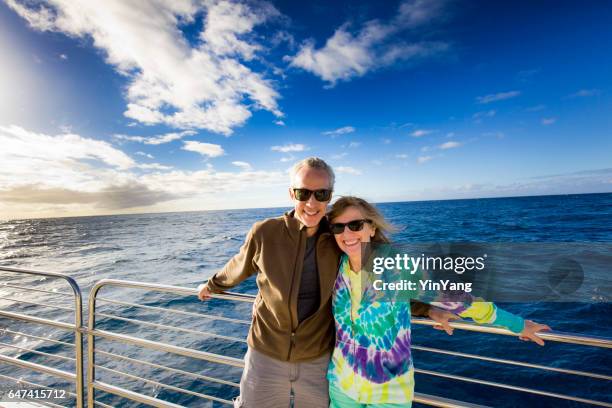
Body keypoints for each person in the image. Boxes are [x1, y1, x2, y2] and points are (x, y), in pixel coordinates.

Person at [197, 158, 449, 407]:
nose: (311, 202)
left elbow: (374, 279)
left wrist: (427, 308)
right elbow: (238, 266)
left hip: (317, 359)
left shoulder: (338, 235)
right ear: (291, 194)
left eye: (321, 194)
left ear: (329, 196)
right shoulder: (265, 232)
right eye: (303, 192)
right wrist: (212, 285)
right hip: (266, 355)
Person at [326, 196, 551, 407]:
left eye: (355, 225)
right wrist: (429, 311)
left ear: (372, 228)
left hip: (388, 389)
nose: (347, 233)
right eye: (338, 226)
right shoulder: (338, 267)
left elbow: (460, 301)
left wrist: (517, 324)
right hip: (342, 384)